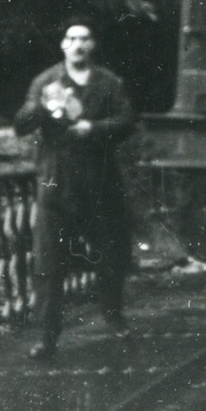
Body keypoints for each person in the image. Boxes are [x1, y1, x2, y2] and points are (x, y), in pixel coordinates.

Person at [15, 20, 138, 360]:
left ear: (92, 45)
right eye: (72, 38)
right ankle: (47, 336)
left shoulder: (109, 83)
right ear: (63, 45)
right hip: (57, 179)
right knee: (49, 262)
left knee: (110, 255)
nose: (78, 45)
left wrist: (94, 128)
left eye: (85, 39)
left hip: (100, 180)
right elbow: (20, 124)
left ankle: (114, 317)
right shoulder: (46, 81)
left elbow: (128, 121)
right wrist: (43, 106)